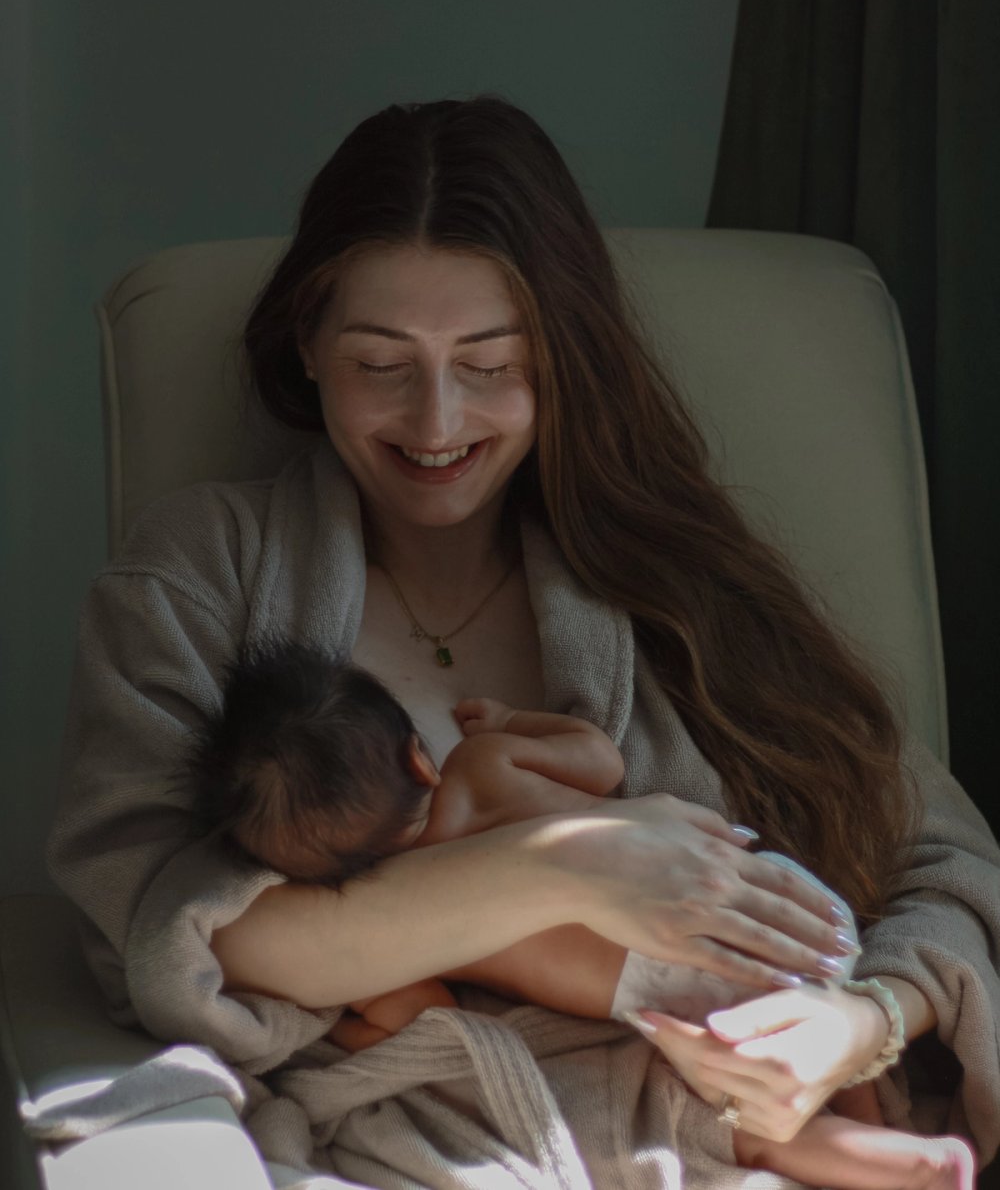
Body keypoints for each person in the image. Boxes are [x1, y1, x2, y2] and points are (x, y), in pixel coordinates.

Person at [47, 97, 1000, 1189]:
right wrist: (563, 867)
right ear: (306, 346)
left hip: (725, 1129)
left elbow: (951, 863)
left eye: (491, 363)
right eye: (380, 363)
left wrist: (865, 1021)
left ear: (559, 357)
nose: (436, 421)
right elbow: (166, 928)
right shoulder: (198, 573)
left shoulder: (687, 583)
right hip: (417, 1149)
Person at [184, 637, 976, 1189]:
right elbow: (601, 759)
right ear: (417, 758)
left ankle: (900, 1162)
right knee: (824, 1038)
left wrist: (353, 1033)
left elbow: (425, 1018)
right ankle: (890, 1122)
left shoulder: (400, 931)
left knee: (755, 1123)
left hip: (682, 992)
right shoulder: (480, 765)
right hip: (767, 890)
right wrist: (509, 725)